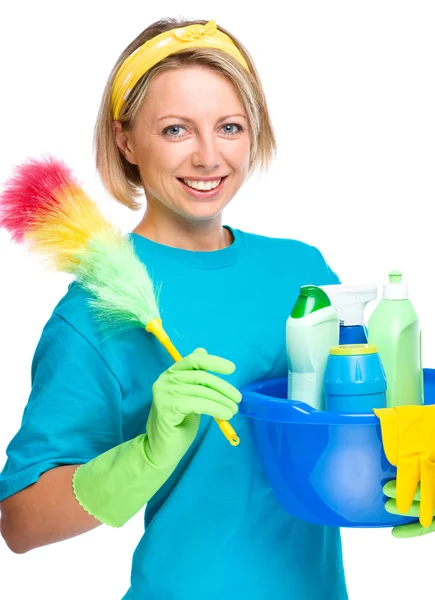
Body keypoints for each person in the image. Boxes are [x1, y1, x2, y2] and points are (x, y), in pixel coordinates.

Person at [0, 17, 348, 599]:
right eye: (176, 130)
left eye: (230, 127)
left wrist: (402, 477)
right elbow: (19, 521)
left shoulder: (303, 273)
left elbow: (349, 431)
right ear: (125, 140)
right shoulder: (94, 310)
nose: (209, 156)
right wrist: (147, 452)